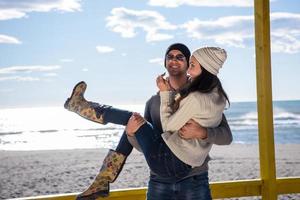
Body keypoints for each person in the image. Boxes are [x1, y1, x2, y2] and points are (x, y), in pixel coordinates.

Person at [64, 44, 232, 200]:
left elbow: (226, 137)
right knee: (134, 121)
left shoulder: (204, 96)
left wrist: (202, 132)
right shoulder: (154, 102)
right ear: (165, 63)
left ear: (190, 64)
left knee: (133, 118)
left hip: (194, 180)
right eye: (169, 56)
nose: (174, 60)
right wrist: (131, 134)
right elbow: (149, 145)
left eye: (180, 57)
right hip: (159, 180)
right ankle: (103, 180)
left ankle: (103, 177)